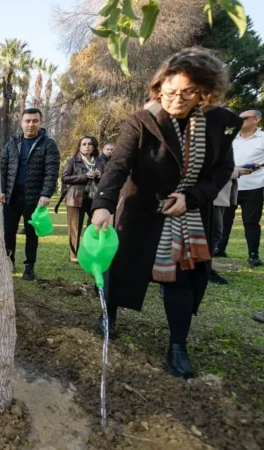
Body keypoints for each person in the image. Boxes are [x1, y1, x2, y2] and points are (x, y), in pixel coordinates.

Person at [90, 49, 242, 379]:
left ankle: (177, 345)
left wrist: (192, 196)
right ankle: (109, 315)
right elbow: (118, 166)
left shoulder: (218, 124)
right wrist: (102, 204)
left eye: (187, 93)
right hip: (141, 211)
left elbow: (222, 169)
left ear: (205, 92)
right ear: (159, 88)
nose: (176, 99)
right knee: (122, 268)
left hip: (186, 216)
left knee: (182, 281)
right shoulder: (143, 121)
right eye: (169, 92)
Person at [0, 108, 61, 281]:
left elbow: (51, 171)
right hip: (11, 196)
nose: (31, 124)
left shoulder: (48, 144)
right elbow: (2, 168)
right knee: (8, 231)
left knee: (31, 233)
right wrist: (2, 189)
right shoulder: (12, 143)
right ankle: (8, 262)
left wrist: (46, 193)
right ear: (21, 123)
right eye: (27, 121)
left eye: (35, 121)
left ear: (40, 123)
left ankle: (29, 266)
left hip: (34, 197)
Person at [216, 110, 264, 267]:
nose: (239, 121)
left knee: (251, 222)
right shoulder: (231, 138)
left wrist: (256, 171)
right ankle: (220, 248)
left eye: (244, 119)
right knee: (224, 220)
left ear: (256, 120)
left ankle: (253, 254)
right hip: (229, 184)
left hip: (253, 185)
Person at [58, 136, 104, 263]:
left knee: (96, 225)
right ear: (79, 147)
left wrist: (100, 176)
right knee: (75, 227)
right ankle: (74, 255)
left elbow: (106, 177)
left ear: (94, 147)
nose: (87, 146)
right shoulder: (72, 160)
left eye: (90, 144)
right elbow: (65, 178)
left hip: (95, 197)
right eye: (84, 144)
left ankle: (93, 251)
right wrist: (84, 176)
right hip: (76, 197)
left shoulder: (100, 162)